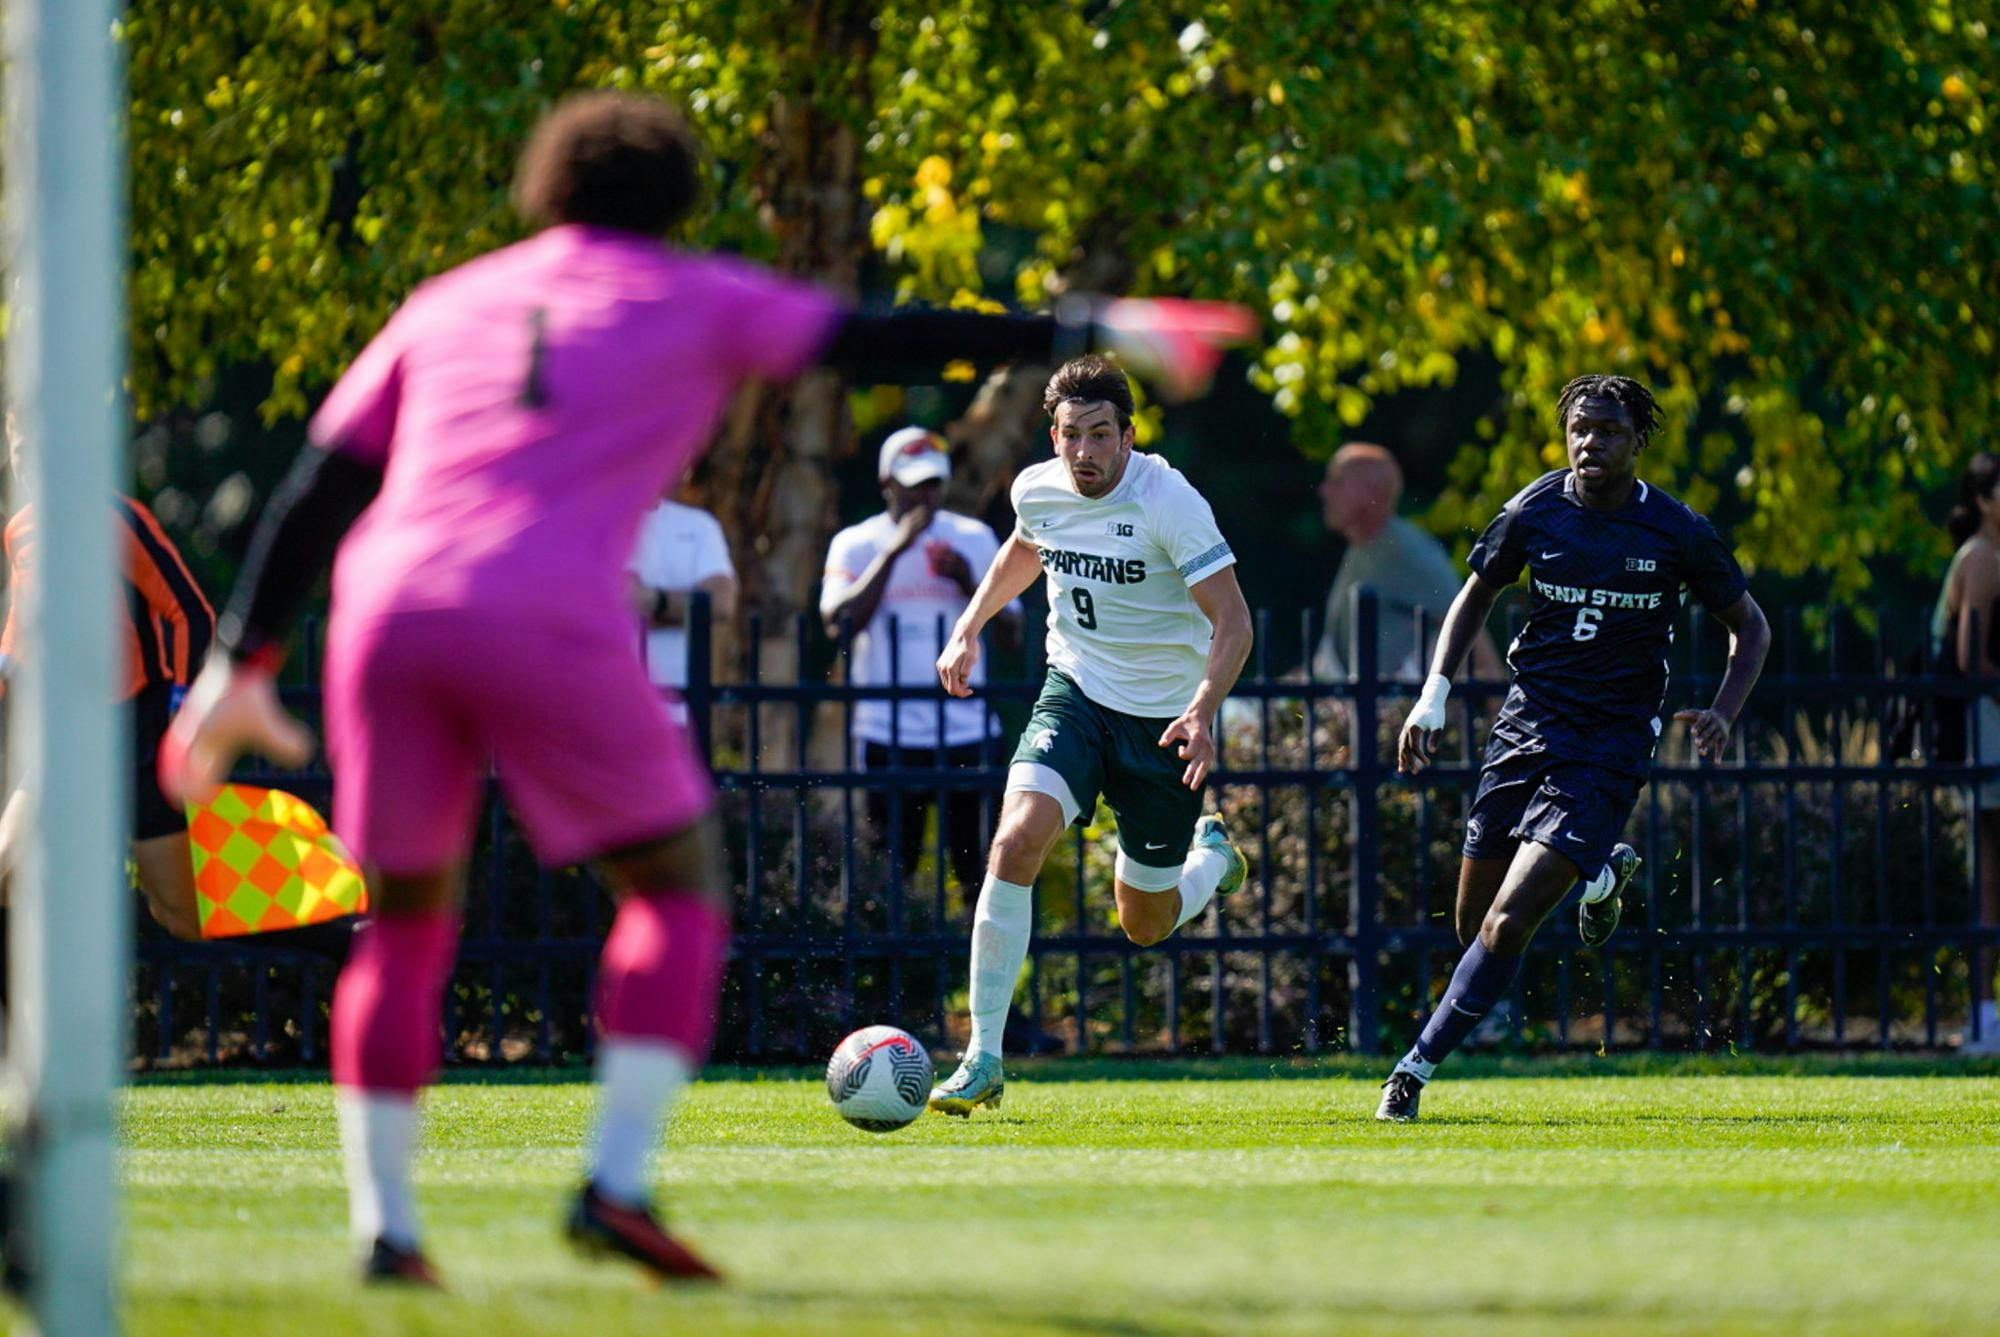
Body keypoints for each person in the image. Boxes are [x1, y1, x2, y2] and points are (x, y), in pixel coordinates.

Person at [158, 90, 1253, 1286]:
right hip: (546, 610)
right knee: (677, 888)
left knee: (406, 925)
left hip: (387, 614)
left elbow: (321, 476)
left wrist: (241, 658)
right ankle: (614, 1184)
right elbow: (883, 338)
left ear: (540, 190)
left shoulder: (450, 298)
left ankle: (386, 1226)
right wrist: (1093, 320)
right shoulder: (688, 292)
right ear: (680, 203)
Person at [1379, 374, 1770, 1121]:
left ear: (1637, 441)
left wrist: (1723, 710)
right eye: (1580, 429)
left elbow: (1749, 625)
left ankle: (1412, 1069)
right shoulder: (1536, 510)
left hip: (1611, 743)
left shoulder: (1676, 530)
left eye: (1609, 430)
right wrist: (1433, 696)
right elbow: (1477, 592)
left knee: (1506, 925)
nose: (1591, 442)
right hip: (1528, 724)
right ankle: (1599, 877)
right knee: (1472, 926)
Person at [926, 355, 1255, 1116]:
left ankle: (1209, 863)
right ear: (1054, 435)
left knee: (1144, 923)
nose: (1085, 453)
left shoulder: (1169, 499)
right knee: (1013, 843)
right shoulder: (1037, 487)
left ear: (1129, 436)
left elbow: (1234, 620)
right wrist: (968, 627)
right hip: (1073, 692)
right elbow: (1025, 547)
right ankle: (982, 1057)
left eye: (1101, 435)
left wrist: (1203, 708)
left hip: (1164, 722)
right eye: (1072, 435)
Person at [0, 423, 216, 941]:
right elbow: (21, 625)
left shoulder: (116, 517)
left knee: (182, 917)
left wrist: (182, 712)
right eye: (17, 449)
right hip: (63, 738)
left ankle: (340, 939)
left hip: (138, 732)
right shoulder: (19, 530)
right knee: (5, 872)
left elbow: (192, 613)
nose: (27, 460)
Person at [821, 426, 1019, 893]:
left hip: (967, 730)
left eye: (934, 483)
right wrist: (894, 551)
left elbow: (1013, 635)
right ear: (887, 482)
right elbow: (838, 625)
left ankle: (980, 965)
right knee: (889, 875)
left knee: (981, 878)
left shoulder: (972, 538)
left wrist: (970, 582)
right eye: (915, 484)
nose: (926, 496)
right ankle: (893, 964)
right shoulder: (858, 543)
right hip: (887, 733)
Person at [1312, 441, 1502, 683]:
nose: (1325, 491)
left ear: (1373, 491)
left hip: (1402, 713)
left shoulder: (1406, 549)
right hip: (1372, 710)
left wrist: (1497, 708)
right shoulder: (1361, 548)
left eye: (1338, 482)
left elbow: (1468, 625)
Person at [1932, 452, 2000, 1055]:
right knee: (1988, 870)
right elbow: (1970, 658)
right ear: (1983, 500)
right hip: (1985, 722)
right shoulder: (1981, 559)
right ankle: (1983, 1016)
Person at [628, 477, 736, 721]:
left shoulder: (698, 526)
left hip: (679, 708)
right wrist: (682, 609)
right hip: (602, 707)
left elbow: (720, 602)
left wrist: (655, 601)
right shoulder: (586, 524)